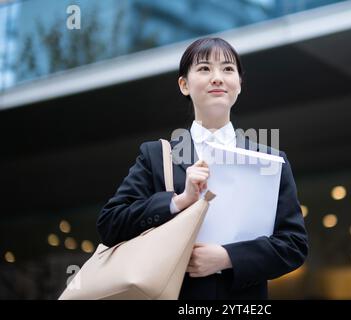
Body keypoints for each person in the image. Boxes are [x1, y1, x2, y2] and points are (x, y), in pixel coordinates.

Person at [97, 37, 308, 300]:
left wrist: (227, 257)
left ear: (239, 85)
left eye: (228, 69)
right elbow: (110, 224)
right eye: (205, 68)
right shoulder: (156, 156)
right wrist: (178, 201)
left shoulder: (270, 161)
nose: (217, 78)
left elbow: (294, 245)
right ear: (184, 85)